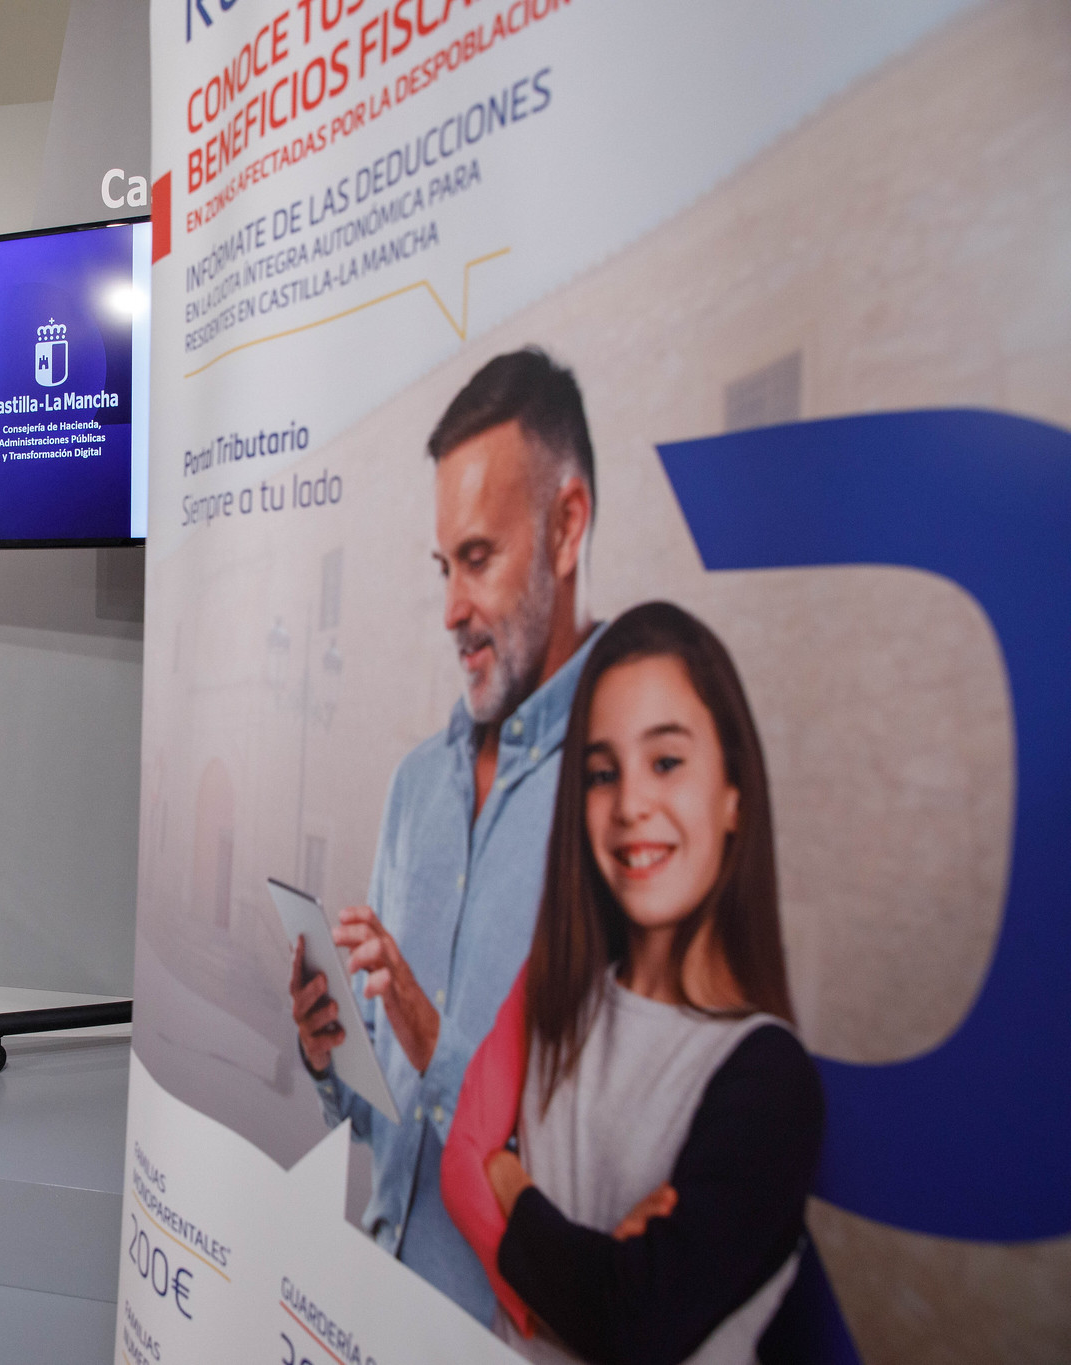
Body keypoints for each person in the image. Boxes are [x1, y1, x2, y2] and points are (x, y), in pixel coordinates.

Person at [288, 348, 599, 1322]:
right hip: (369, 1298)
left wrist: (434, 1038)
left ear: (566, 527)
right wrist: (330, 1054)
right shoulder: (416, 786)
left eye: (479, 558)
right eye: (443, 567)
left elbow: (602, 1166)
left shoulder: (623, 802)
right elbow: (377, 1117)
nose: (451, 610)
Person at [439, 601, 823, 1364]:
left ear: (735, 793)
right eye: (602, 773)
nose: (631, 805)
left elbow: (631, 1323)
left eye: (667, 762)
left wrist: (512, 1183)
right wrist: (589, 1264)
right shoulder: (558, 998)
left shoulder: (770, 1080)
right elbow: (464, 1165)